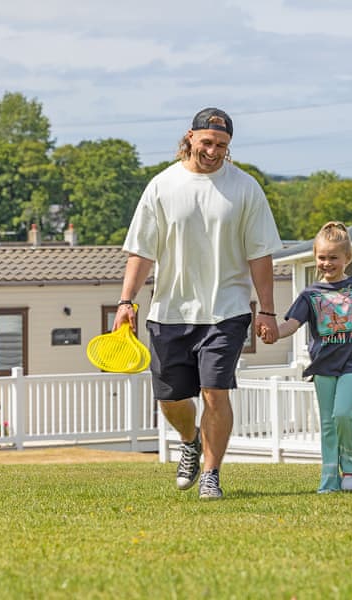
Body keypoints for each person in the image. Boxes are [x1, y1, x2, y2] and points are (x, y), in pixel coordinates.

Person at [114, 107, 282, 500]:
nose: (214, 151)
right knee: (171, 398)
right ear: (190, 137)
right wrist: (126, 302)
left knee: (214, 392)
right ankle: (189, 440)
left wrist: (268, 311)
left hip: (227, 309)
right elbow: (141, 251)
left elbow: (261, 256)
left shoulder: (245, 188)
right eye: (207, 142)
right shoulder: (162, 186)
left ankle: (211, 473)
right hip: (169, 310)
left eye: (222, 145)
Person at [264, 221, 352, 493]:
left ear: (347, 258)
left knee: (342, 413)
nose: (327, 263)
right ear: (315, 257)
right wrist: (274, 334)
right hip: (323, 364)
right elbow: (292, 324)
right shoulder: (309, 294)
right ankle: (329, 479)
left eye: (333, 257)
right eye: (322, 257)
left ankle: (351, 462)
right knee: (327, 422)